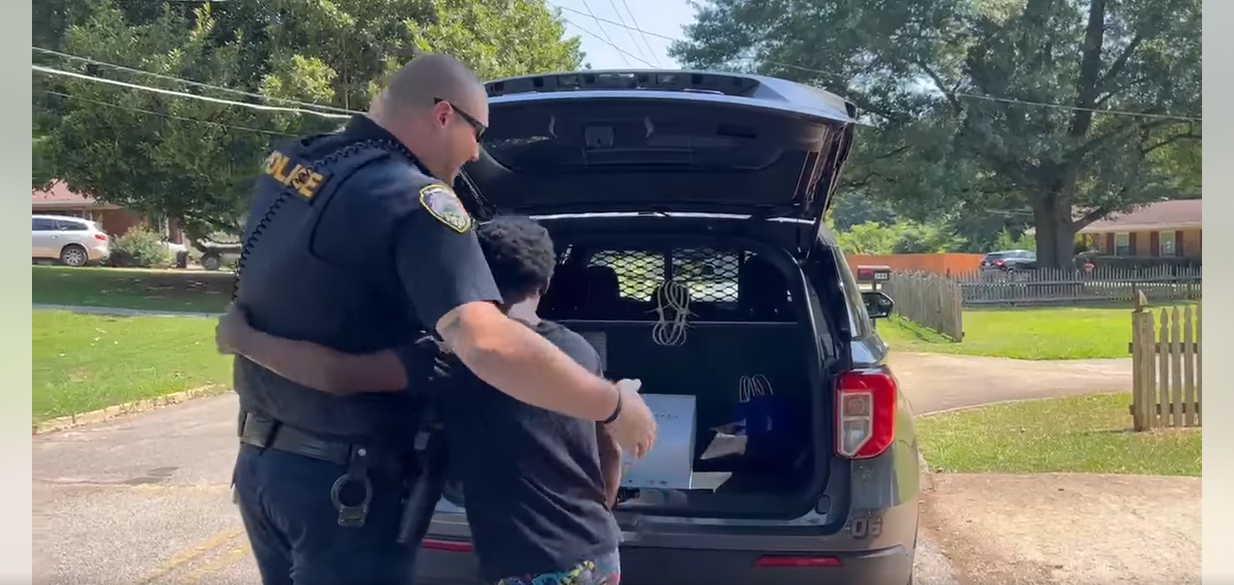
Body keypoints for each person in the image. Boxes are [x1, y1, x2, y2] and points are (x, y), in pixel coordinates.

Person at [225, 53, 655, 585]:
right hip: (345, 489)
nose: (477, 152)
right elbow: (486, 342)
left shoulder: (295, 164)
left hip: (263, 470)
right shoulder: (420, 200)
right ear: (444, 115)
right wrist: (615, 406)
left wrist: (242, 339)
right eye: (479, 132)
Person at [218, 216, 626, 585]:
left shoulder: (458, 363)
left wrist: (244, 340)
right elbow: (609, 445)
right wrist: (603, 507)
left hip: (527, 563)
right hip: (598, 550)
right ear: (546, 283)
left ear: (469, 278)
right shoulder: (577, 353)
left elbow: (334, 374)